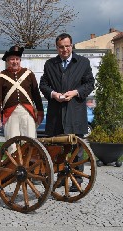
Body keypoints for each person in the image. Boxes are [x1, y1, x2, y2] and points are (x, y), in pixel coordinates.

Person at [39, 33, 95, 192]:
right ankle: (60, 178)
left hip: (75, 112)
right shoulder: (50, 64)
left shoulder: (83, 63)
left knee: (77, 148)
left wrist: (76, 92)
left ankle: (76, 180)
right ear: (57, 48)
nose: (65, 49)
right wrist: (54, 94)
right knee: (57, 148)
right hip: (56, 113)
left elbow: (90, 83)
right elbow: (43, 84)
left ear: (72, 45)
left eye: (67, 46)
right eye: (61, 47)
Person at [0, 45, 44, 146]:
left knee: (30, 142)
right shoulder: (1, 77)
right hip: (10, 114)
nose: (15, 61)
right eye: (12, 59)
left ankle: (29, 162)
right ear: (7, 61)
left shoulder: (29, 74)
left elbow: (36, 95)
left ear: (20, 60)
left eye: (17, 59)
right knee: (12, 144)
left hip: (27, 113)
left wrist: (40, 112)